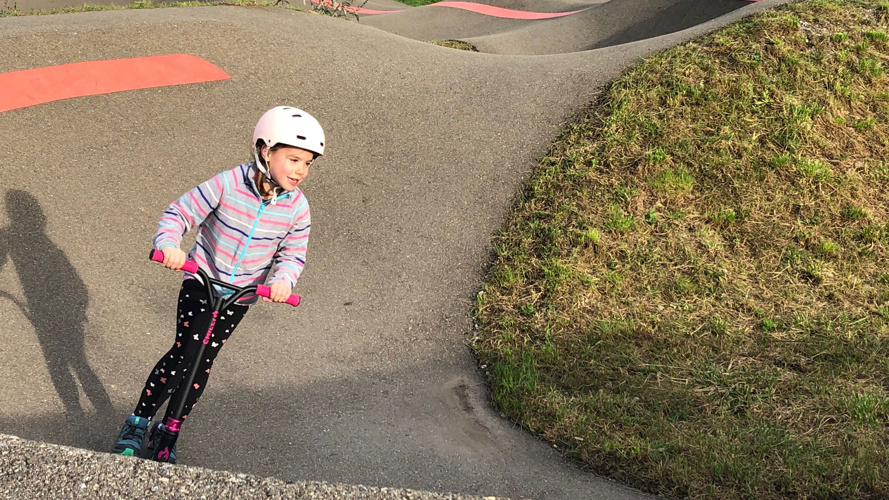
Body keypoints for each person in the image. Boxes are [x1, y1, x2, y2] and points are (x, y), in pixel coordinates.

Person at [112, 106, 324, 461]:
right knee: (186, 353)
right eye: (293, 159)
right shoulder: (227, 184)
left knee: (203, 361)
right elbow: (179, 213)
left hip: (239, 296)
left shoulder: (297, 209)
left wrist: (283, 281)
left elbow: (292, 253)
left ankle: (170, 430)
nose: (301, 171)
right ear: (265, 151)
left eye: (307, 163)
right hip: (202, 282)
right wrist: (169, 245)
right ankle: (138, 421)